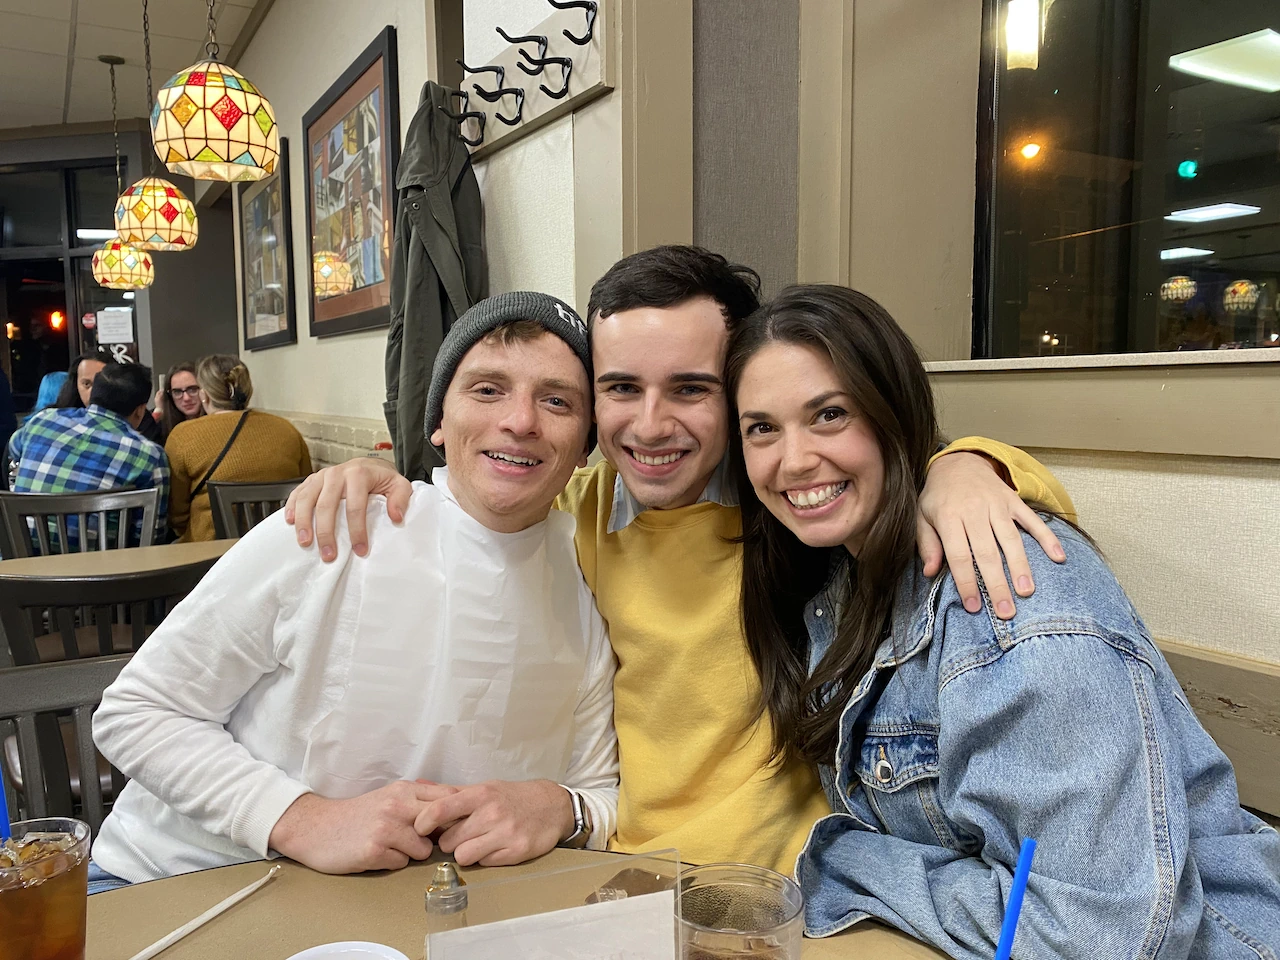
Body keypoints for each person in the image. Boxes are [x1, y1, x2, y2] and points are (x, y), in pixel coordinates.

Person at [284, 245, 1075, 873]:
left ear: (738, 394)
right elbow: (483, 499)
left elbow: (939, 486)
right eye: (621, 388)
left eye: (691, 389)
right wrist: (383, 484)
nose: (651, 425)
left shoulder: (803, 514)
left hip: (796, 891)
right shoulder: (578, 511)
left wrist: (969, 465)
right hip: (615, 871)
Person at [725, 285, 1280, 958]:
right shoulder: (835, 579)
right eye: (762, 429)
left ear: (893, 412)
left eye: (830, 414)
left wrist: (854, 865)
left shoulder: (1009, 600)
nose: (794, 459)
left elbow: (1093, 939)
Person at [89, 292, 618, 896]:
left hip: (398, 913)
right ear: (439, 421)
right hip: (172, 879)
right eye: (487, 389)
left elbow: (599, 791)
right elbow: (136, 712)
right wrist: (303, 818)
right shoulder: (335, 525)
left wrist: (558, 807)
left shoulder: (585, 579)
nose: (520, 420)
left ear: (585, 446)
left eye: (557, 401)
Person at [7, 363, 168, 546]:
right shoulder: (149, 455)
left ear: (93, 395)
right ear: (140, 410)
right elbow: (150, 536)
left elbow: (14, 450)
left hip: (20, 566)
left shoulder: (43, 419)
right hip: (97, 570)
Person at [165, 354, 312, 542]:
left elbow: (177, 514)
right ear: (248, 389)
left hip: (210, 555)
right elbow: (306, 489)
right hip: (280, 545)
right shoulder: (287, 430)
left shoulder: (182, 436)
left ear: (204, 394)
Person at [153, 361, 205, 442]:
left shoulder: (216, 421)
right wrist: (159, 410)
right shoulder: (164, 426)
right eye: (177, 392)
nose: (186, 398)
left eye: (192, 389)